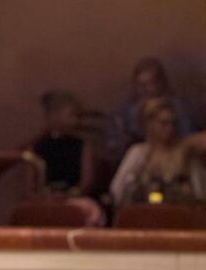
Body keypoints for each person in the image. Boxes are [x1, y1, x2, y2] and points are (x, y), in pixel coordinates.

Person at [110, 98, 206, 208]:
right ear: (149, 125)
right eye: (164, 123)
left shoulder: (186, 152)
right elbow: (117, 190)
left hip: (180, 213)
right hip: (142, 213)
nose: (170, 128)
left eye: (173, 123)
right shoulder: (139, 152)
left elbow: (200, 192)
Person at [30, 91, 105, 226]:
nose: (75, 120)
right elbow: (31, 184)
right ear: (53, 116)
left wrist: (71, 194)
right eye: (71, 115)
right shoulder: (38, 147)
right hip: (46, 200)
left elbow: (87, 181)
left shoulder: (82, 145)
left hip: (76, 198)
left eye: (76, 116)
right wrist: (46, 197)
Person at [116, 57, 195, 149]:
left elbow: (188, 135)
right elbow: (122, 139)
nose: (145, 90)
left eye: (150, 84)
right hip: (141, 153)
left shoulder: (178, 106)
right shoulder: (128, 109)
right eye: (141, 85)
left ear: (161, 83)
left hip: (174, 151)